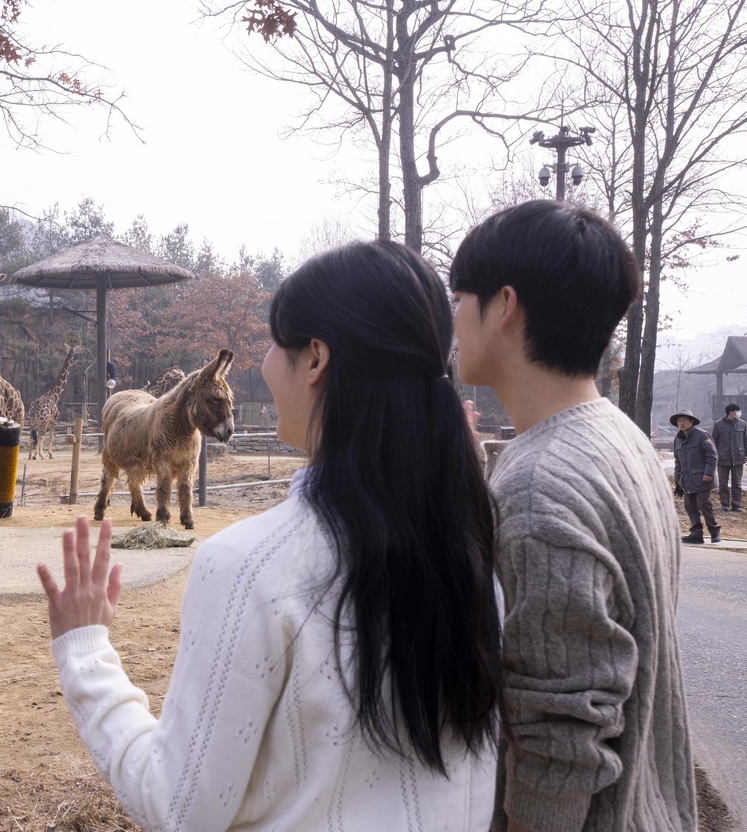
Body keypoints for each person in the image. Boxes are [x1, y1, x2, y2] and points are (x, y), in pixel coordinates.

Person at [37, 241, 503, 830]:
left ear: (315, 360)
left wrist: (85, 652)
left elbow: (177, 807)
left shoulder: (249, 567)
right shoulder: (473, 553)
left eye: (274, 341)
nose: (262, 360)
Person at [449, 199, 696, 832]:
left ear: (504, 306)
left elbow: (560, 741)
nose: (452, 319)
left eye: (459, 297)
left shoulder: (540, 484)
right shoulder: (621, 437)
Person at [672, 409, 720, 544]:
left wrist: (709, 473)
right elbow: (677, 460)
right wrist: (677, 478)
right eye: (679, 421)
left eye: (684, 420)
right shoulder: (678, 439)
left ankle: (714, 531)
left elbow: (712, 456)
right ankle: (696, 534)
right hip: (686, 479)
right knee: (690, 506)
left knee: (704, 504)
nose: (681, 423)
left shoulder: (702, 435)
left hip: (703, 478)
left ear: (691, 421)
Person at [712, 403, 747, 512]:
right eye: (737, 411)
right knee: (723, 483)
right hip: (723, 458)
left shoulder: (742, 424)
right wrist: (713, 456)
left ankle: (736, 505)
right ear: (731, 412)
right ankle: (724, 504)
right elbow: (713, 442)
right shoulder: (718, 425)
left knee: (737, 483)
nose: (739, 413)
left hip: (738, 458)